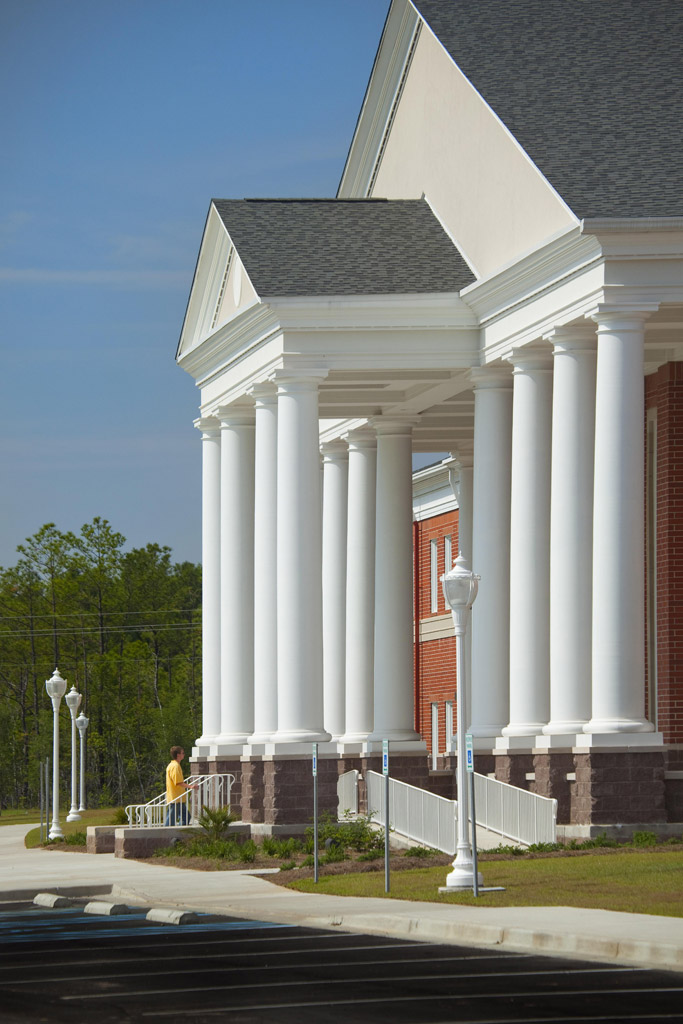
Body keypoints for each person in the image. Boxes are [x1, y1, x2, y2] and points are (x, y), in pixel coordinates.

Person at [165, 746, 194, 825]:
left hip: (179, 798)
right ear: (178, 755)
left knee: (186, 817)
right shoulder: (175, 766)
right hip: (175, 799)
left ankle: (179, 832)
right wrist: (190, 787)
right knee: (171, 820)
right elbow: (178, 782)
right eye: (183, 753)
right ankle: (166, 834)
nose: (184, 755)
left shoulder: (174, 765)